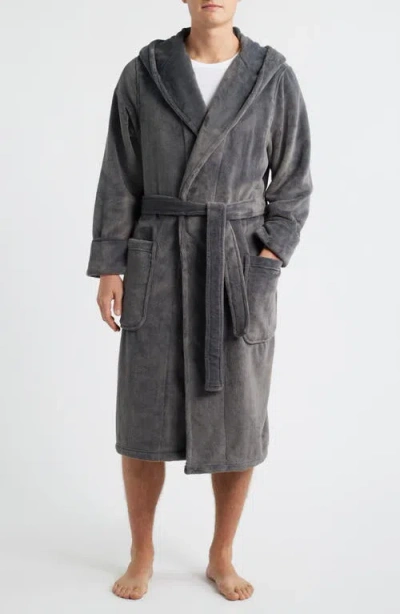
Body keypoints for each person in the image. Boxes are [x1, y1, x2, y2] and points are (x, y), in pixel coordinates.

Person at [86, 0, 313, 602]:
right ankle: (142, 552)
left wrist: (269, 259)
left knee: (238, 414)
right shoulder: (146, 72)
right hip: (157, 258)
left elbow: (293, 183)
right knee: (142, 414)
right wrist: (109, 264)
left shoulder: (272, 77)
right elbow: (119, 174)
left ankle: (221, 554)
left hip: (237, 265)